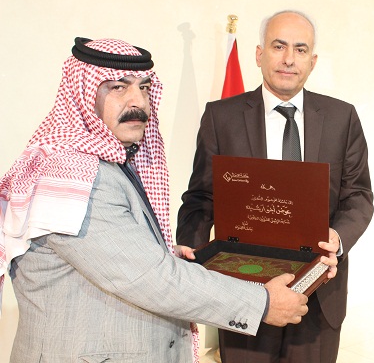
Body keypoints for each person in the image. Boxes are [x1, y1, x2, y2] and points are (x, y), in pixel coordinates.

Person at [0, 37, 311, 363]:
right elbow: (149, 278)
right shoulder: (71, 176)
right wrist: (261, 303)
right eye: (118, 87)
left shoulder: (110, 166)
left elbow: (119, 257)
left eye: (144, 87)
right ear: (82, 95)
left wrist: (165, 254)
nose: (138, 101)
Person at [177, 10, 374, 363]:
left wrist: (337, 238)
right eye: (279, 46)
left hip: (319, 292)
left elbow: (358, 195)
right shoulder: (221, 117)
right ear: (259, 54)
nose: (289, 59)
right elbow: (201, 198)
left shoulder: (342, 118)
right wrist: (192, 269)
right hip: (243, 291)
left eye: (300, 49)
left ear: (313, 61)